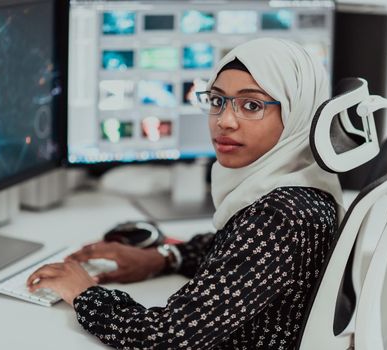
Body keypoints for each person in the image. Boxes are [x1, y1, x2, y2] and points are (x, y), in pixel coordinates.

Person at [27, 38, 344, 349]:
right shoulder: (297, 186)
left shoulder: (280, 216)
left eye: (252, 105)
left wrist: (84, 293)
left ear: (297, 113)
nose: (224, 121)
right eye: (217, 100)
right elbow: (237, 255)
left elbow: (169, 337)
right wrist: (163, 257)